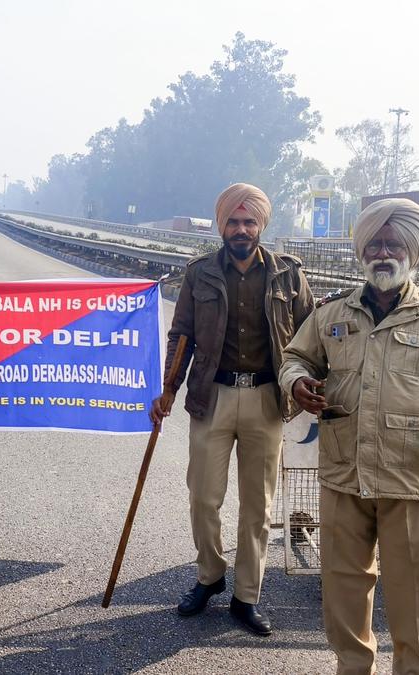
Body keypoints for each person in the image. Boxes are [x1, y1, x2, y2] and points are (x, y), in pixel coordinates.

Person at [278, 198, 419, 674]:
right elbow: (295, 358)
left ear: (412, 251)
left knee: (417, 598)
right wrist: (297, 381)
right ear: (361, 251)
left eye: (393, 243)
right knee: (343, 592)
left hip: (413, 475)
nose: (383, 252)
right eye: (374, 242)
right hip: (343, 473)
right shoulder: (330, 312)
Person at [151, 183, 313, 635]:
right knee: (203, 497)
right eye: (233, 222)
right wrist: (168, 389)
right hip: (213, 396)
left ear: (261, 225)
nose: (241, 229)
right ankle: (210, 575)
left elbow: (309, 334)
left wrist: (308, 384)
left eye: (249, 222)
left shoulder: (288, 274)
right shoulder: (199, 273)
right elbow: (180, 334)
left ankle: (246, 596)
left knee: (257, 507)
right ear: (222, 225)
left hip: (266, 399)